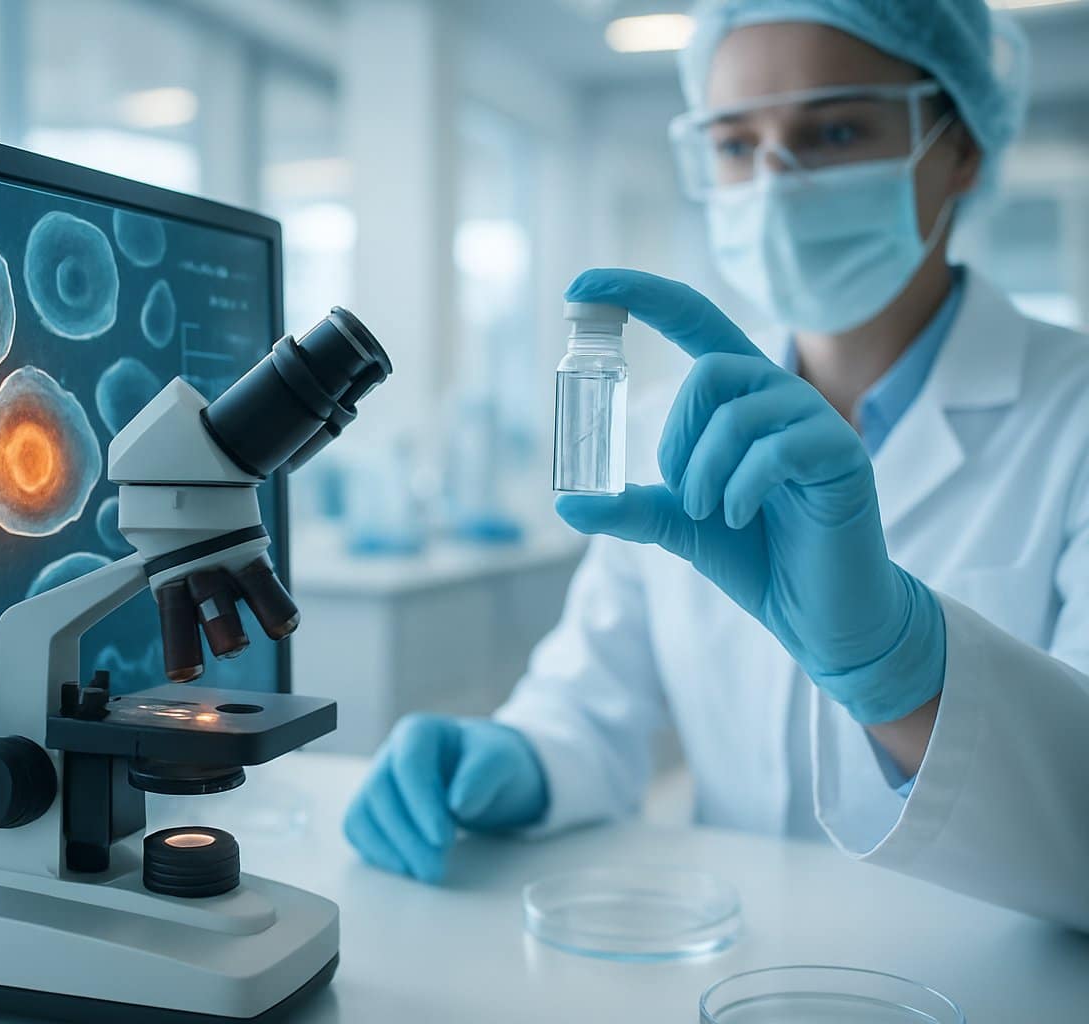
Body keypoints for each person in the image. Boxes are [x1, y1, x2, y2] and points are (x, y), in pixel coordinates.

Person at [344, 0, 1089, 930]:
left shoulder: (1075, 416)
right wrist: (519, 761)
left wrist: (903, 673)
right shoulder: (667, 425)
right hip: (729, 962)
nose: (776, 183)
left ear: (962, 149)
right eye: (736, 145)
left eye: (838, 128)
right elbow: (589, 708)